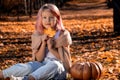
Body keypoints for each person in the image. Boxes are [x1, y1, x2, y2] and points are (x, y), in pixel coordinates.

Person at [0, 3, 72, 80]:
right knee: (27, 67)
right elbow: (39, 59)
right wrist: (43, 44)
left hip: (58, 68)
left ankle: (25, 79)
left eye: (51, 18)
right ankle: (3, 74)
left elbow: (63, 59)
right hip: (42, 64)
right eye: (44, 17)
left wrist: (51, 48)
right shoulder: (38, 35)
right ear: (41, 19)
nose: (47, 20)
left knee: (54, 65)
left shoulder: (62, 35)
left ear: (57, 18)